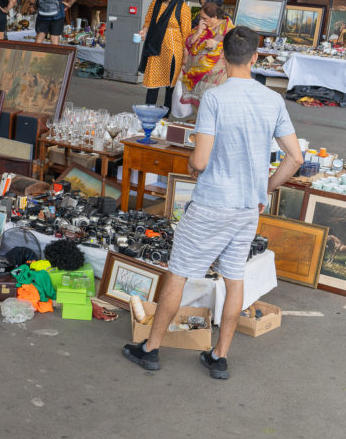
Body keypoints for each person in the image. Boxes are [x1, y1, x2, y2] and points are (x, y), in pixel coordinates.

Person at [123, 26, 303, 380]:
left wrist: (192, 164)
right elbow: (294, 158)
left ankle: (151, 348)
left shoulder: (216, 98)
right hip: (247, 207)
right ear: (255, 57)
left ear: (223, 55)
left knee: (179, 273)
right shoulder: (272, 100)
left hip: (212, 203)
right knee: (234, 278)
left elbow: (201, 162)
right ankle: (219, 357)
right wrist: (264, 188)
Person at [137, 0, 192, 113]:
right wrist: (144, 30)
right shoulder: (155, 3)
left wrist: (186, 55)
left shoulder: (182, 7)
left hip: (173, 50)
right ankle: (148, 112)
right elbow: (148, 21)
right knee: (152, 83)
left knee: (170, 85)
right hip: (155, 48)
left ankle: (166, 116)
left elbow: (186, 33)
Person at [180, 0, 233, 112]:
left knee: (210, 102)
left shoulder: (226, 26)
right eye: (200, 17)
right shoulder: (201, 26)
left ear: (214, 16)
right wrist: (199, 32)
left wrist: (216, 42)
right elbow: (189, 43)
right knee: (197, 102)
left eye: (205, 18)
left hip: (214, 74)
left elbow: (230, 40)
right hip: (196, 71)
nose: (202, 20)